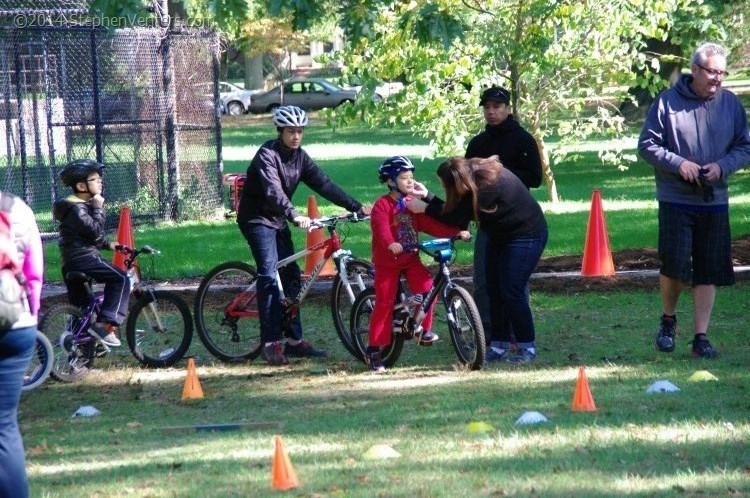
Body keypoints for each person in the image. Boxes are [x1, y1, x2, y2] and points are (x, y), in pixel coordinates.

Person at [638, 42, 750, 359]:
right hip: (676, 198)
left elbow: (745, 146)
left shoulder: (730, 104)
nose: (718, 79)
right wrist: (678, 164)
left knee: (708, 269)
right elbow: (646, 145)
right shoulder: (668, 102)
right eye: (713, 72)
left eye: (722, 73)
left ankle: (701, 337)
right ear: (696, 70)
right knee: (674, 264)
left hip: (714, 199)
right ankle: (668, 320)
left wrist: (722, 166)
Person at [236, 105, 372, 366]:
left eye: (300, 131)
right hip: (256, 219)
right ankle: (271, 343)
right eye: (291, 131)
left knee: (290, 276)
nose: (296, 136)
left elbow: (324, 183)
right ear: (280, 131)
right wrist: (295, 215)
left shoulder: (300, 158)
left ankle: (294, 341)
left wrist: (355, 206)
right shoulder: (267, 154)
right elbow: (274, 191)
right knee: (268, 274)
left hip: (277, 219)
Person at [408, 156, 547, 363]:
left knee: (512, 289)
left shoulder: (487, 186)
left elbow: (458, 217)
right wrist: (428, 196)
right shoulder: (472, 177)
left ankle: (526, 346)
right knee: (494, 289)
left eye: (445, 184)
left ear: (458, 180)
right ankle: (498, 345)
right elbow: (456, 210)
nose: (445, 188)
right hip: (499, 234)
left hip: (525, 235)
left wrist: (426, 207)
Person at [366, 156, 470, 372]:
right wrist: (390, 243)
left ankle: (421, 328)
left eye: (411, 177)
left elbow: (428, 223)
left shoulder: (410, 204)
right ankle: (374, 349)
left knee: (427, 288)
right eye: (404, 178)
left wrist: (455, 233)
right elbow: (381, 227)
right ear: (390, 182)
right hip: (388, 262)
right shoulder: (382, 205)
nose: (410, 181)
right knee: (384, 303)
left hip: (410, 257)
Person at [466, 86, 543, 362]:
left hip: (517, 221)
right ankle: (491, 336)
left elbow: (535, 177)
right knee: (486, 282)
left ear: (508, 108)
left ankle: (519, 338)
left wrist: (500, 172)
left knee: (513, 283)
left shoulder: (522, 139)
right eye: (487, 106)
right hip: (488, 222)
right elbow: (467, 182)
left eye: (497, 106)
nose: (491, 111)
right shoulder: (478, 143)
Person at [53, 159, 128, 347]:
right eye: (95, 179)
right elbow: (94, 230)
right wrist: (98, 208)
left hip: (71, 261)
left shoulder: (75, 208)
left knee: (82, 311)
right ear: (81, 185)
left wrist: (107, 244)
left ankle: (74, 355)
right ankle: (104, 325)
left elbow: (86, 235)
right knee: (121, 278)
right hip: (84, 258)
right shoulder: (77, 208)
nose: (100, 182)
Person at [0, 193, 43, 498]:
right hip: (18, 323)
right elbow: (35, 274)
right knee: (4, 425)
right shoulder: (21, 209)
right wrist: (31, 316)